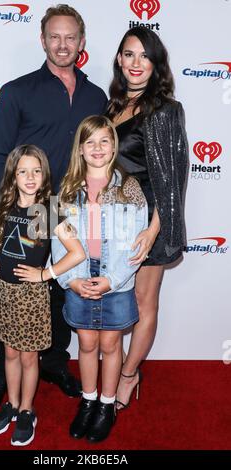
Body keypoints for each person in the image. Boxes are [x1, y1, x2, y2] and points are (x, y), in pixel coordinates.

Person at [0, 4, 107, 412]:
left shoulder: (95, 95)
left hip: (71, 210)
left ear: (81, 42)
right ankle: (4, 372)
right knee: (17, 289)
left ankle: (53, 363)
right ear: (43, 40)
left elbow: (100, 153)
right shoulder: (17, 91)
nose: (63, 44)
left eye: (71, 37)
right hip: (28, 211)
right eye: (55, 36)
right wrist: (8, 213)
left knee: (56, 291)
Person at [103, 26, 188, 410]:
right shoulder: (111, 106)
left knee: (143, 299)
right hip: (112, 220)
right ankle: (111, 370)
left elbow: (173, 176)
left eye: (144, 55)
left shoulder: (165, 109)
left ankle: (128, 374)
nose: (136, 63)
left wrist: (154, 230)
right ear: (119, 60)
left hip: (148, 219)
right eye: (128, 54)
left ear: (156, 63)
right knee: (118, 300)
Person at [0, 144, 85, 446]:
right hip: (5, 293)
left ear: (44, 175)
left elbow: (76, 252)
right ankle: (11, 405)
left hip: (32, 297)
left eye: (36, 171)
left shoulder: (46, 210)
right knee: (10, 353)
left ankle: (27, 410)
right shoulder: (4, 205)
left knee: (28, 357)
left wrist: (45, 274)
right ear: (13, 175)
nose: (30, 177)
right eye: (23, 171)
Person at [52, 115, 148, 442]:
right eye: (90, 142)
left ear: (113, 146)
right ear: (80, 149)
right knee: (87, 342)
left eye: (104, 141)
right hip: (79, 275)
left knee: (110, 342)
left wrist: (113, 280)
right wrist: (72, 280)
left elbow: (137, 245)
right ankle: (88, 400)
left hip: (116, 279)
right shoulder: (64, 189)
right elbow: (57, 240)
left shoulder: (130, 188)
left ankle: (107, 405)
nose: (97, 148)